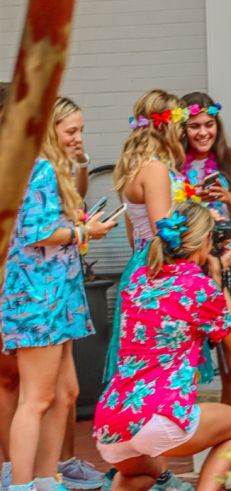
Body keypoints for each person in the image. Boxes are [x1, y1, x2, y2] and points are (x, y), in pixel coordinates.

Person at [1, 97, 117, 490]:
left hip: (59, 293)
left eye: (81, 130)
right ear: (49, 130)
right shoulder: (39, 168)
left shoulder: (51, 168)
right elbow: (36, 233)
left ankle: (47, 478)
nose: (77, 137)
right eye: (71, 131)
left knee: (66, 391)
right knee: (35, 397)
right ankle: (21, 483)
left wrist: (80, 226)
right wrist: (87, 232)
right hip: (38, 295)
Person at [93, 202, 231, 491]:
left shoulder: (139, 280)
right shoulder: (198, 286)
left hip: (110, 421)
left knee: (137, 475)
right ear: (204, 241)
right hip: (161, 415)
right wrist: (219, 281)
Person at [103, 89, 199, 490]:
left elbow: (133, 233)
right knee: (158, 368)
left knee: (137, 368)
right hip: (158, 270)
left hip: (138, 266)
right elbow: (167, 232)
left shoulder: (136, 167)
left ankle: (133, 462)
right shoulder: (157, 169)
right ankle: (152, 469)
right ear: (168, 124)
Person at [181, 91, 231, 412]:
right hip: (190, 269)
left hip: (228, 265)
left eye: (209, 124)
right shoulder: (173, 167)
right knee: (184, 359)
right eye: (194, 126)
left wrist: (228, 200)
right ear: (181, 130)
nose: (203, 132)